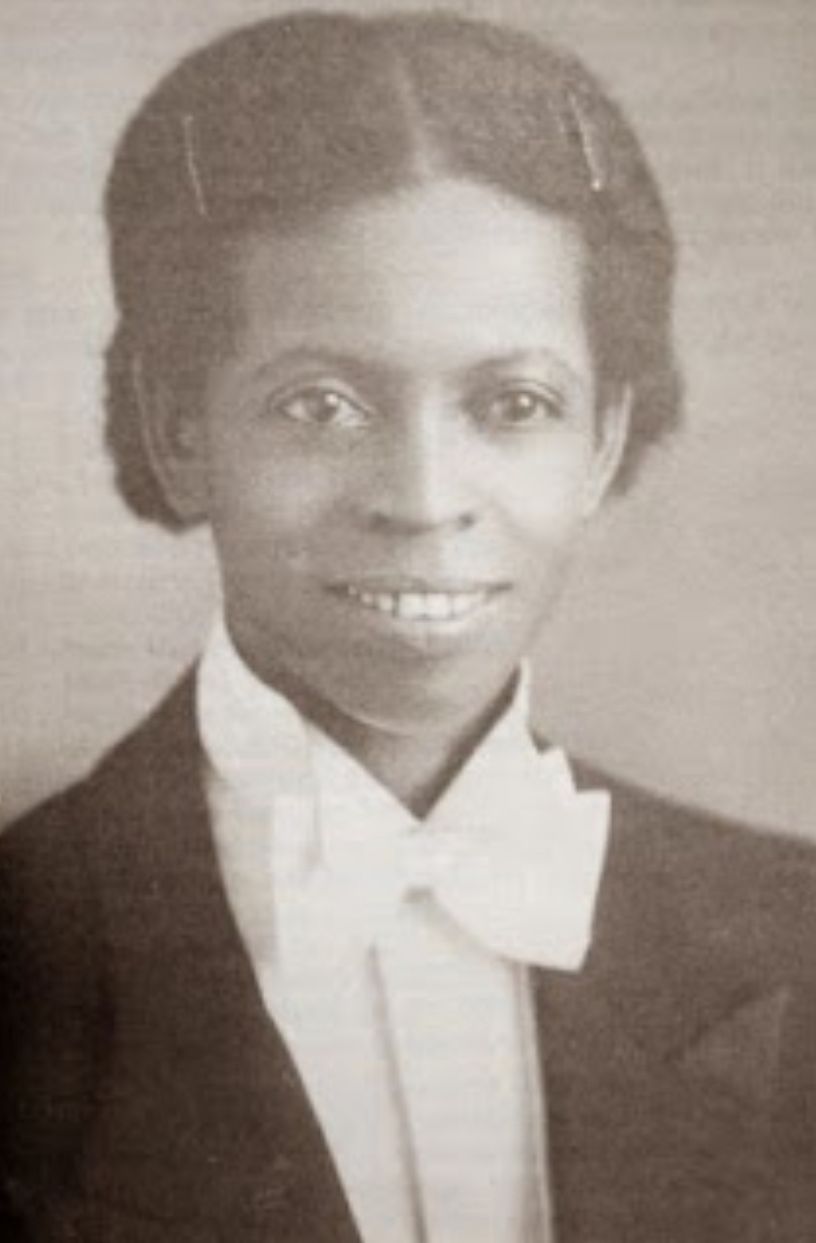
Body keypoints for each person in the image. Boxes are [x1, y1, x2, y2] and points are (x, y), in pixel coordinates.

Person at [1, 10, 814, 1242]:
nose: (425, 500)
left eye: (514, 403)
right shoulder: (26, 952)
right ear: (180, 430)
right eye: (320, 404)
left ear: (603, 439)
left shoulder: (790, 927)